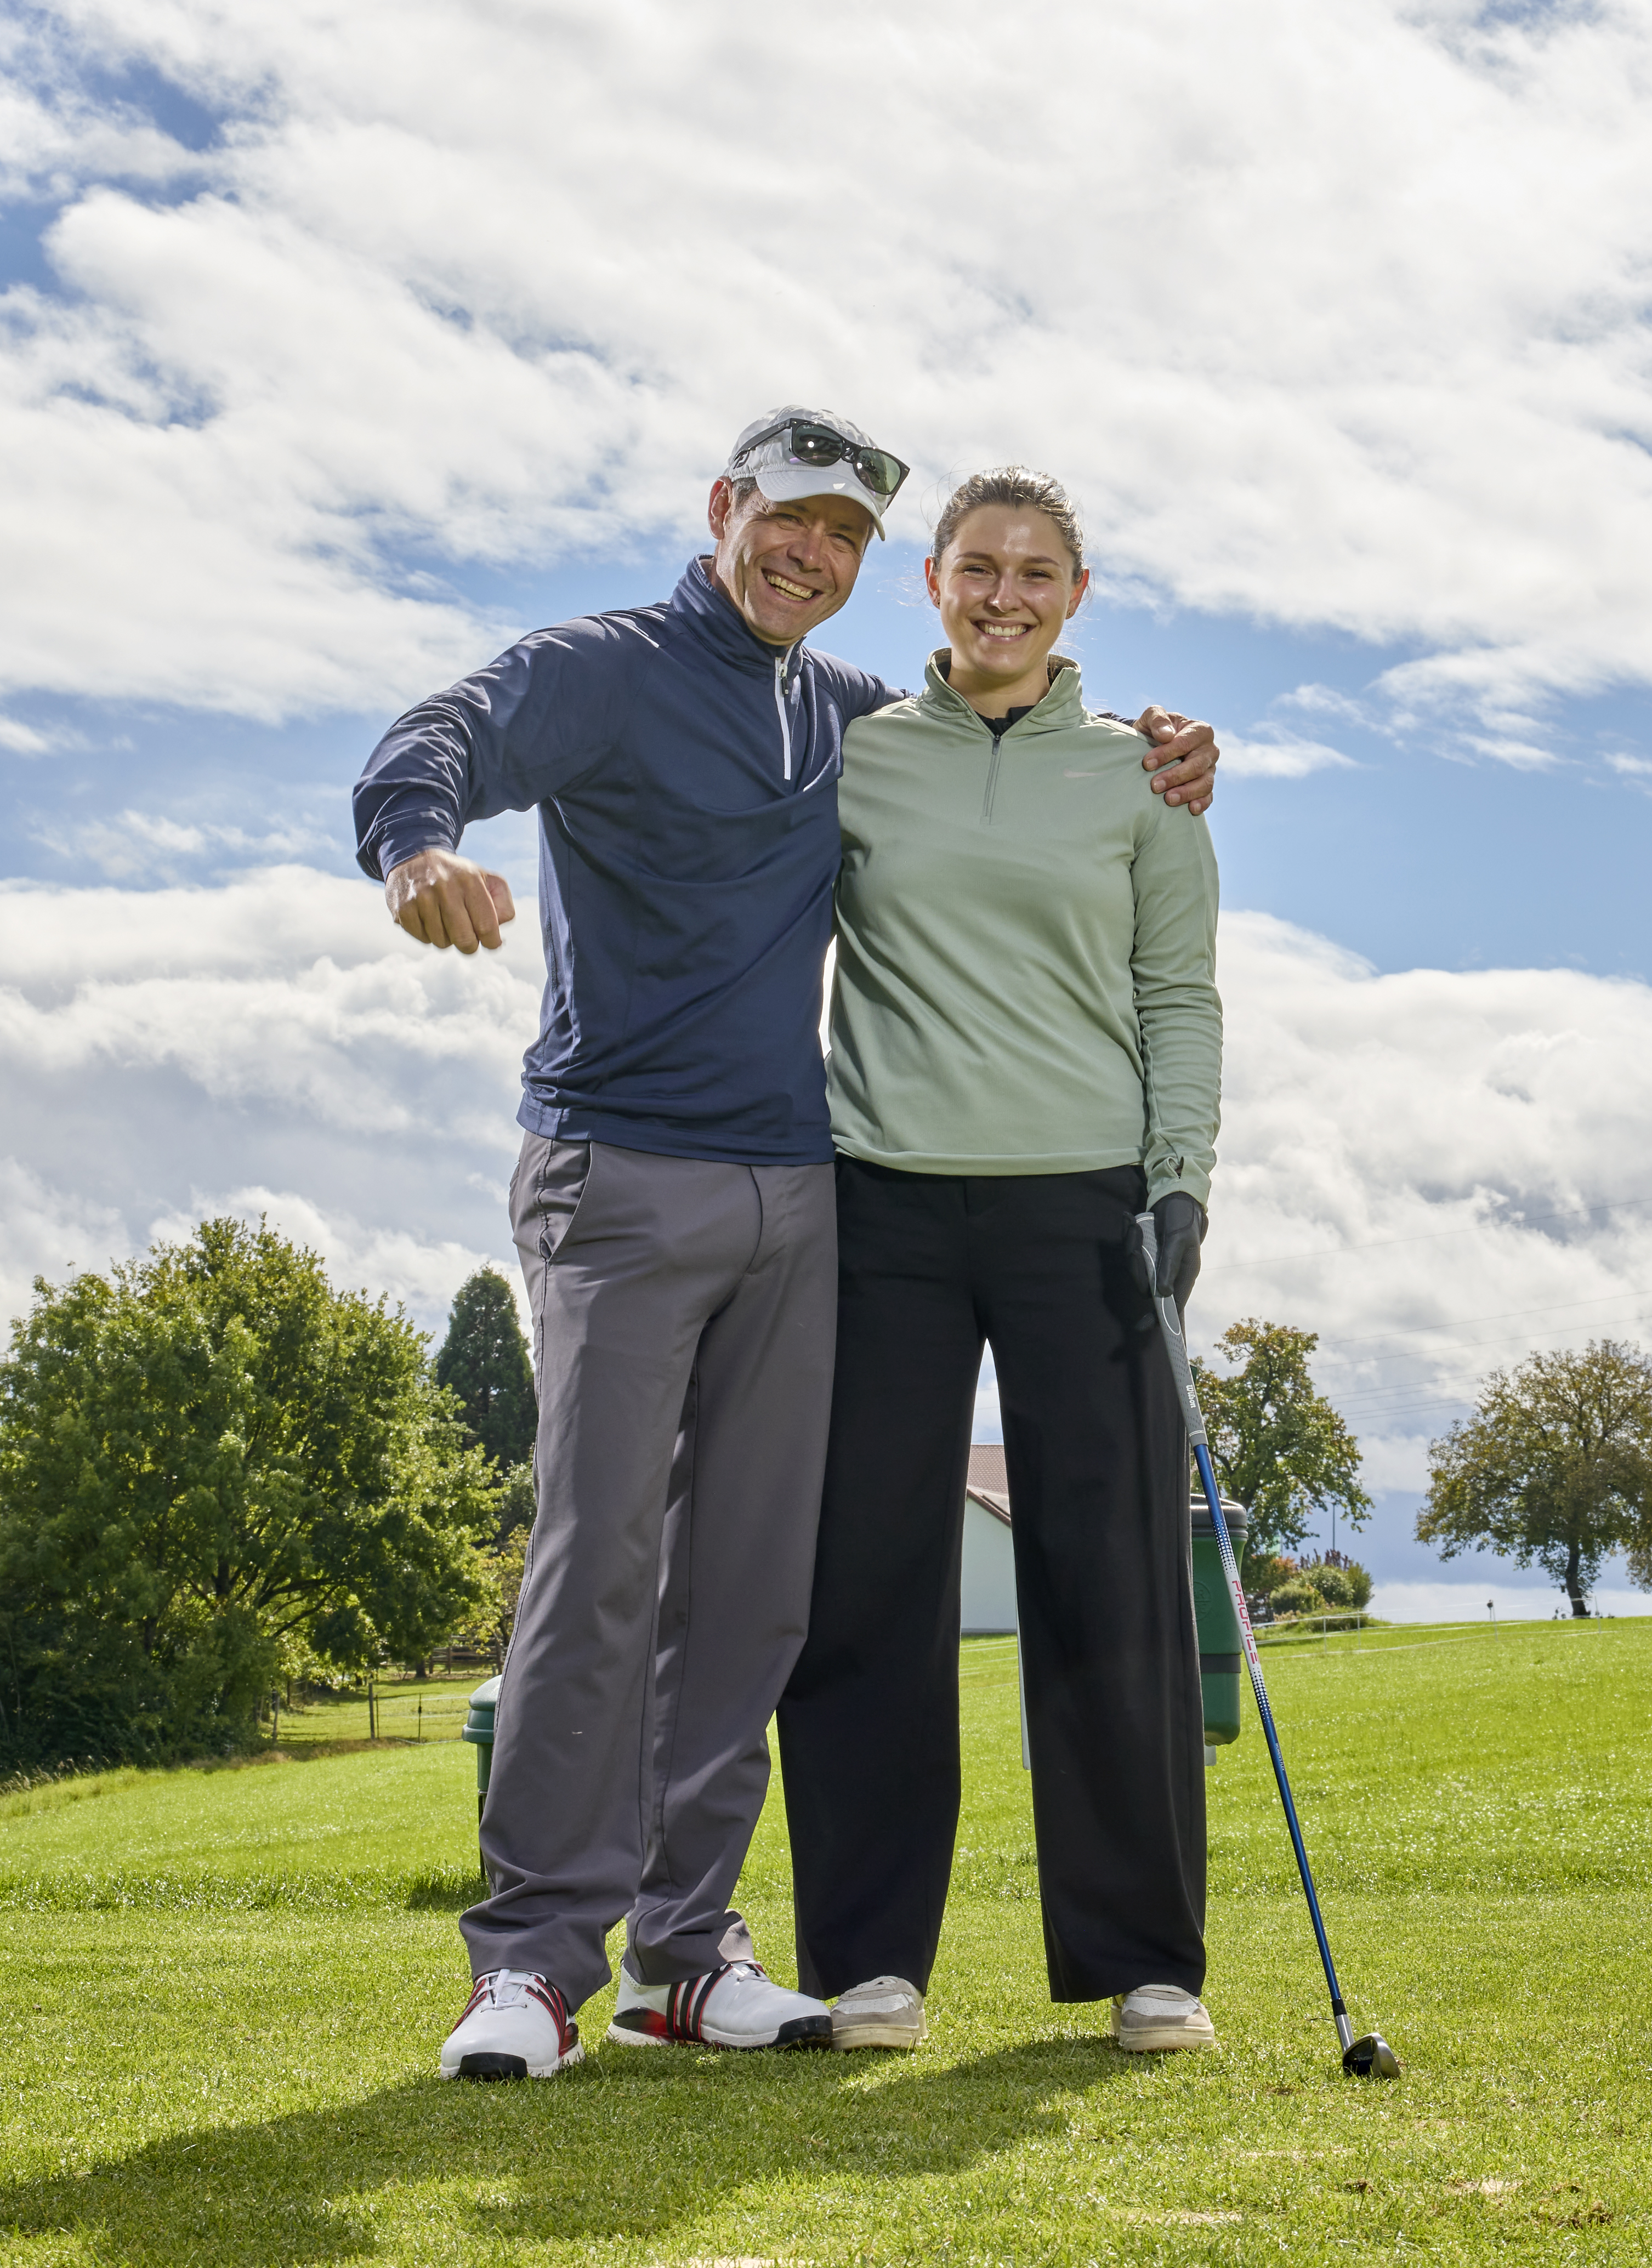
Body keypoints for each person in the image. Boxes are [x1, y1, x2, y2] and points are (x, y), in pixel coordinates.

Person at [351, 410, 1222, 2080]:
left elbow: (1143, 935)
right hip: (735, 1182)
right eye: (788, 520)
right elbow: (451, 731)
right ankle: (654, 1956)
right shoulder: (724, 698)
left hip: (917, 1195)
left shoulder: (987, 746)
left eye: (840, 535)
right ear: (731, 514)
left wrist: (1176, 1166)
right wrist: (417, 844)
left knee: (824, 1590)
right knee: (697, 1582)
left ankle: (731, 1954)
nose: (808, 553)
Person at [776, 466, 1222, 2056]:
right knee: (863, 1583)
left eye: (1036, 570)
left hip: (1085, 1209)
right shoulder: (856, 755)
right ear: (935, 585)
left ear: (1075, 597)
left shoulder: (1143, 782)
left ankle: (1145, 1959)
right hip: (881, 1206)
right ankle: (868, 1961)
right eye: (978, 566)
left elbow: (1178, 994)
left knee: (1111, 1583)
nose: (1005, 592)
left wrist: (1181, 1181)